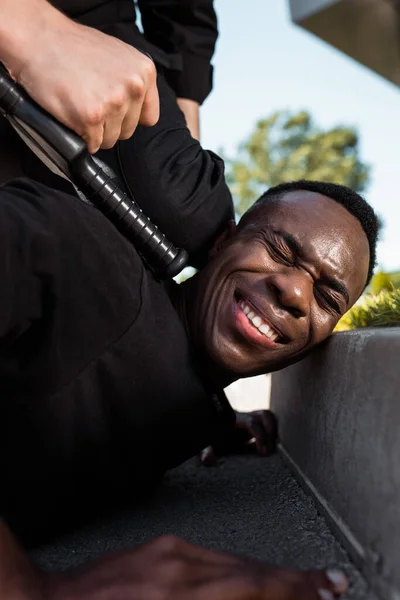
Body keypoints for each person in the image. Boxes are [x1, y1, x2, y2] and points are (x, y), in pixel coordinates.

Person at [0, 0, 379, 598]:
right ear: (225, 242)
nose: (295, 290)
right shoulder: (78, 257)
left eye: (329, 295)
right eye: (281, 250)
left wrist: (213, 417)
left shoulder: (189, 404)